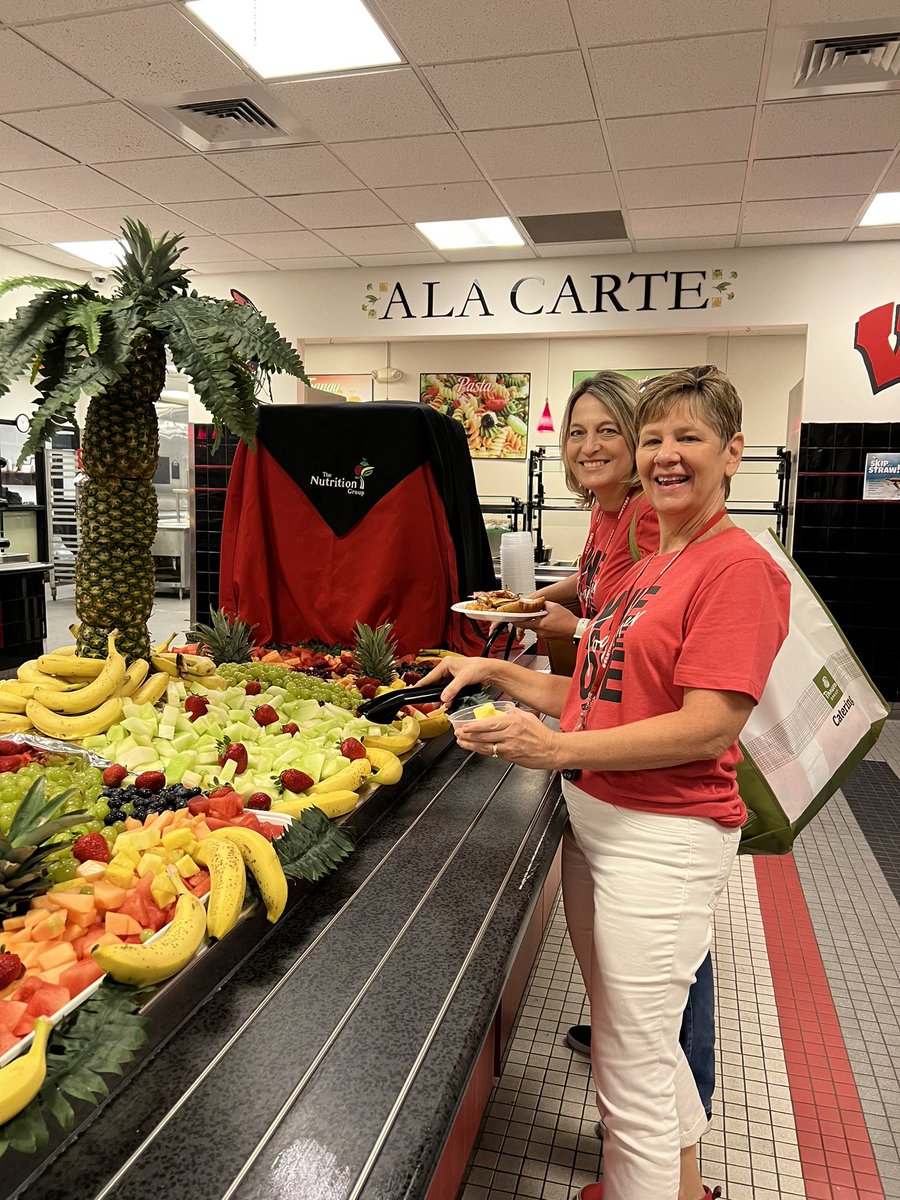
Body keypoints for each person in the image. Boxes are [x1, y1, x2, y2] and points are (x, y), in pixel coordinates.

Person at [422, 366, 790, 1200]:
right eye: (655, 438)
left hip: (661, 837)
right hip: (603, 822)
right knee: (641, 1046)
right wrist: (499, 671)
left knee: (631, 1062)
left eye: (687, 438)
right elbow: (593, 694)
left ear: (733, 452)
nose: (665, 455)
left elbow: (710, 724)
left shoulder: (735, 569)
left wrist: (553, 752)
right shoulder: (655, 561)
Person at [521, 372, 718, 1131]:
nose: (590, 445)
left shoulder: (646, 518)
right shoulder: (610, 518)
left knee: (675, 959)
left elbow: (632, 635)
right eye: (577, 432)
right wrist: (546, 600)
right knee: (644, 964)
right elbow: (598, 588)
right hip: (613, 754)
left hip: (657, 773)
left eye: (610, 430)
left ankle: (676, 1101)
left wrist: (563, 635)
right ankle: (629, 1051)